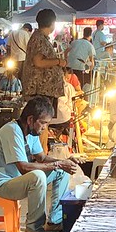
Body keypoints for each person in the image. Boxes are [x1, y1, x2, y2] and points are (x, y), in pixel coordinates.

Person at [0, 96, 81, 232]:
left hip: (14, 180)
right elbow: (24, 168)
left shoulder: (31, 132)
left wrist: (63, 162)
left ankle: (54, 220)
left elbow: (41, 157)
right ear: (30, 120)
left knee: (60, 171)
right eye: (43, 123)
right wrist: (59, 164)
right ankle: (33, 229)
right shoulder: (12, 130)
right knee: (37, 176)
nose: (44, 128)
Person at [22, 9, 67, 151]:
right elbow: (39, 62)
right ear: (52, 23)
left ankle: (41, 153)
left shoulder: (40, 38)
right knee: (40, 123)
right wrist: (58, 61)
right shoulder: (39, 39)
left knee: (43, 124)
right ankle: (40, 155)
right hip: (40, 88)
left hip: (44, 89)